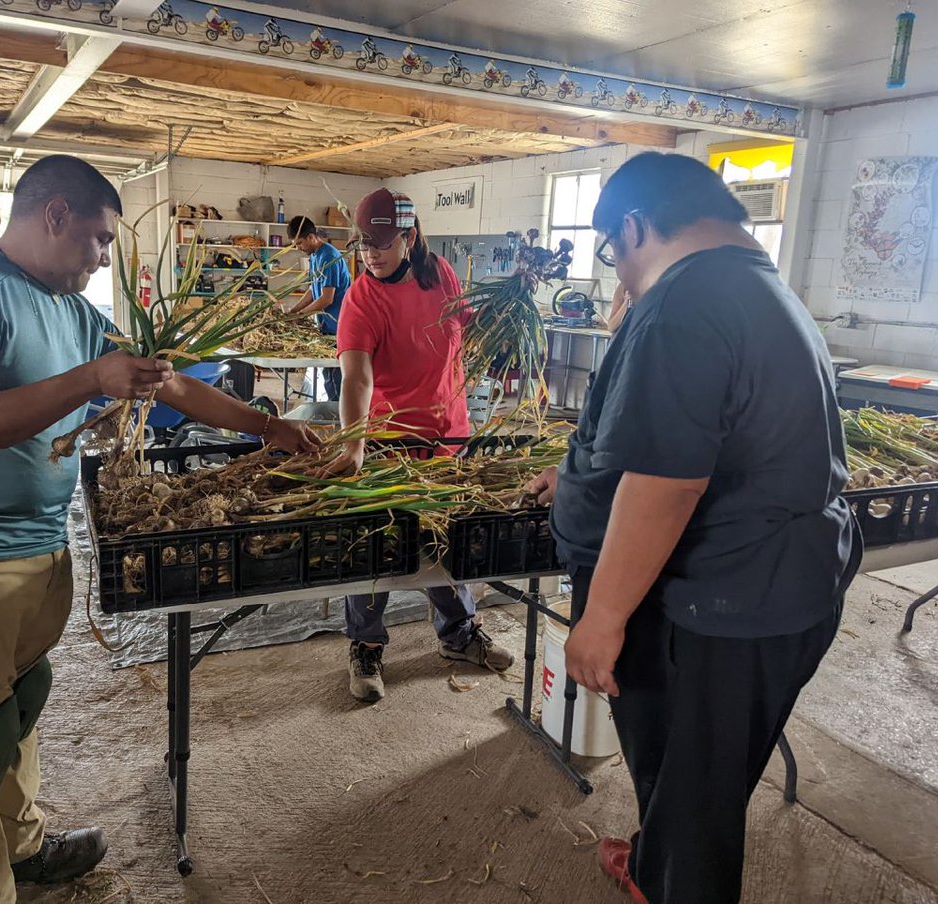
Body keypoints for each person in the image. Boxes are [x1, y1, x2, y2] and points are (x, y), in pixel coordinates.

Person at [0, 154, 320, 904]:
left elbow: (169, 380)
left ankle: (21, 851)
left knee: (18, 708)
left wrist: (268, 428)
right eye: (97, 239)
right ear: (54, 215)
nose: (102, 257)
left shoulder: (72, 311)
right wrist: (91, 380)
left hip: (40, 548)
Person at [528, 152, 861, 904]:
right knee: (693, 780)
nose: (619, 276)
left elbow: (670, 482)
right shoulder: (756, 288)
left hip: (723, 607)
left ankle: (672, 880)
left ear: (637, 224)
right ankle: (656, 862)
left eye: (616, 250)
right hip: (771, 591)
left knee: (699, 796)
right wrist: (581, 476)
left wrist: (602, 619)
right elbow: (690, 437)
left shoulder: (687, 301)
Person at [325, 188, 514, 702]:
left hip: (448, 436)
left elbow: (468, 334)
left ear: (409, 238)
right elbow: (357, 379)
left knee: (445, 543)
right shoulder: (362, 297)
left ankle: (459, 636)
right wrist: (356, 441)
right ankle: (365, 645)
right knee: (378, 547)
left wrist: (504, 340)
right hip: (389, 442)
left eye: (382, 242)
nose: (371, 253)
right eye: (364, 243)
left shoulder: (443, 276)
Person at [287, 215, 350, 402]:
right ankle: (331, 414)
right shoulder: (314, 256)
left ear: (311, 237)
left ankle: (341, 420)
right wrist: (293, 312)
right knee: (328, 377)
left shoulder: (328, 256)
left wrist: (300, 316)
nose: (299, 248)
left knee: (338, 379)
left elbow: (326, 298)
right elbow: (313, 291)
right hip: (325, 327)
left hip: (337, 327)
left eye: (300, 243)